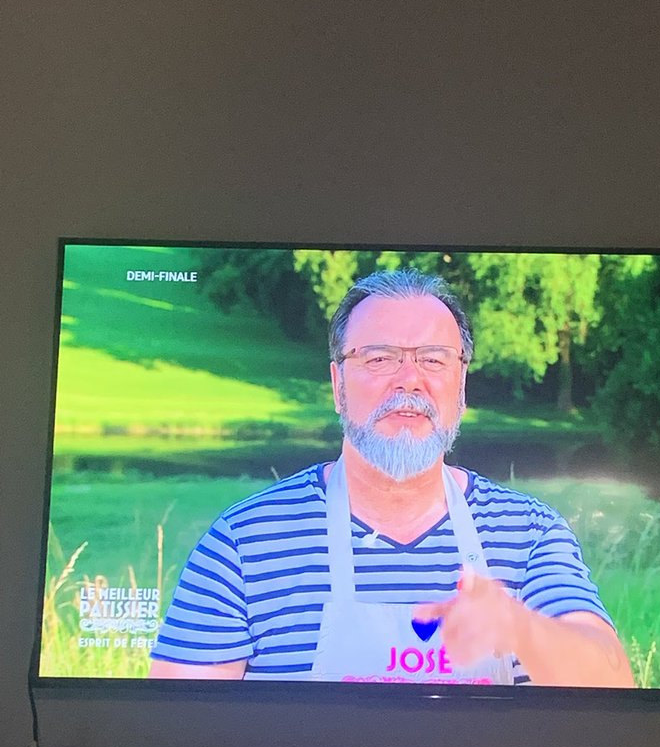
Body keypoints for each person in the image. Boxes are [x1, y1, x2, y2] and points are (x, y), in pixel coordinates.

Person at [149, 269, 634, 687]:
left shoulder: (529, 533)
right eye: (379, 358)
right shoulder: (245, 541)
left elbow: (612, 685)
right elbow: (176, 731)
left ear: (461, 386)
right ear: (338, 384)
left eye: (433, 359)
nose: (409, 380)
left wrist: (521, 628)